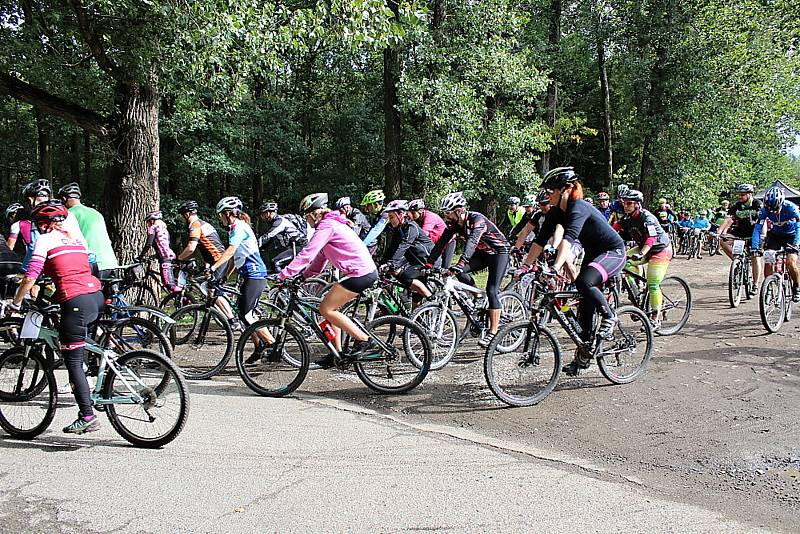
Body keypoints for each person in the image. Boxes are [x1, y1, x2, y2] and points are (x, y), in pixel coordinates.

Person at [7, 202, 104, 434]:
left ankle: (87, 415)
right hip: (95, 295)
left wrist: (16, 302)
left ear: (43, 224)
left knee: (72, 359)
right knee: (81, 343)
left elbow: (31, 276)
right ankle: (101, 374)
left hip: (76, 300)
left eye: (38, 224)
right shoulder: (74, 239)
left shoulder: (44, 240)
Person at [518, 167, 626, 375]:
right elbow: (539, 242)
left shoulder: (579, 207)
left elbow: (568, 240)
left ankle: (610, 317)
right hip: (593, 254)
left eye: (551, 190)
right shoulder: (556, 212)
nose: (547, 194)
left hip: (613, 251)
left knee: (584, 282)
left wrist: (556, 268)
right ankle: (584, 355)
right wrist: (524, 266)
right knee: (583, 308)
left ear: (566, 190)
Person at [278, 193, 379, 368]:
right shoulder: (331, 225)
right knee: (329, 311)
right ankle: (337, 354)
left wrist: (284, 274)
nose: (306, 220)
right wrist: (301, 277)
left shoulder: (327, 226)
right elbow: (318, 262)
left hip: (360, 273)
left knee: (325, 308)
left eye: (306, 216)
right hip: (360, 272)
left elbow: (307, 253)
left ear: (315, 214)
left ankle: (364, 340)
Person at [426, 192, 510, 347]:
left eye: (448, 213)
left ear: (458, 211)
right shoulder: (454, 225)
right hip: (483, 253)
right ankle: (477, 296)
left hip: (499, 252)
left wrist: (461, 262)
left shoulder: (477, 219)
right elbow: (441, 244)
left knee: (492, 290)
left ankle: (493, 332)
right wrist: (429, 264)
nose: (446, 217)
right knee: (461, 272)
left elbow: (472, 242)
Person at [210, 197, 275, 355]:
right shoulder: (235, 228)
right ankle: (258, 347)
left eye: (221, 214)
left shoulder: (239, 227)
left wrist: (213, 267)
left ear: (228, 213)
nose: (220, 218)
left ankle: (272, 344)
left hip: (255, 274)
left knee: (247, 314)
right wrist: (224, 275)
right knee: (241, 315)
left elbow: (231, 251)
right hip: (248, 275)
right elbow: (234, 257)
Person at [176, 200, 239, 330]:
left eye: (182, 216)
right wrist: (206, 265)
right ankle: (225, 317)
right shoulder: (203, 223)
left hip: (219, 261)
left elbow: (191, 248)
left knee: (213, 291)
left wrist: (178, 258)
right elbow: (207, 246)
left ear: (187, 214)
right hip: (217, 260)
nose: (182, 219)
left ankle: (233, 321)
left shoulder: (195, 225)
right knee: (210, 291)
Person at [614, 190, 673, 327]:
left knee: (653, 284)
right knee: (623, 263)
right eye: (624, 203)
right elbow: (611, 229)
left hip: (660, 250)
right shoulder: (626, 219)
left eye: (629, 203)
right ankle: (638, 292)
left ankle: (655, 317)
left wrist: (642, 253)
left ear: (637, 204)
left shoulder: (647, 217)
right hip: (643, 248)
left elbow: (652, 237)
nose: (625, 206)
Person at [58, 182, 119, 277]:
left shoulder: (68, 214)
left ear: (64, 199)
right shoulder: (96, 213)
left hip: (92, 265)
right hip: (111, 263)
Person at [752, 186, 800, 302]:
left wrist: (796, 244)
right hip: (775, 235)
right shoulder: (764, 210)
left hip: (792, 235)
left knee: (790, 262)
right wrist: (755, 247)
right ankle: (768, 288)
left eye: (776, 208)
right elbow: (757, 228)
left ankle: (796, 286)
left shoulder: (792, 208)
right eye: (771, 209)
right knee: (768, 259)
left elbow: (799, 227)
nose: (773, 211)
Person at [380, 200, 433, 299]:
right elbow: (392, 248)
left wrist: (392, 263)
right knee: (415, 300)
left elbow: (404, 245)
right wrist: (381, 262)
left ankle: (432, 298)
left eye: (392, 217)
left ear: (401, 214)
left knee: (406, 276)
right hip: (415, 262)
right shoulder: (399, 229)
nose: (390, 220)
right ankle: (414, 313)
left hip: (426, 261)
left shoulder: (411, 227)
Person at [717, 184, 763, 292]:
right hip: (740, 232)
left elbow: (763, 220)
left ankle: (755, 285)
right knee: (724, 241)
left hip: (754, 233)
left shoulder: (757, 204)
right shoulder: (737, 205)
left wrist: (762, 234)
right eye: (739, 195)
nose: (740, 197)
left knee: (755, 257)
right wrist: (719, 232)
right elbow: (728, 219)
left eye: (742, 195)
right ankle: (737, 260)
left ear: (749, 194)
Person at [257, 201, 308, 272]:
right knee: (277, 265)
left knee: (276, 262)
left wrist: (254, 245)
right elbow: (269, 240)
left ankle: (281, 281)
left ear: (269, 213)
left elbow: (268, 236)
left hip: (300, 247)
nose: (263, 217)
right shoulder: (275, 222)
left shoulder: (280, 221)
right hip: (294, 247)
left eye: (264, 214)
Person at [137, 210, 180, 292]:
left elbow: (148, 244)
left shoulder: (153, 228)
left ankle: (188, 301)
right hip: (170, 256)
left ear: (152, 220)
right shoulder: (164, 229)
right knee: (171, 282)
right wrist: (154, 256)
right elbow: (164, 245)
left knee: (169, 285)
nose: (148, 224)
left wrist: (140, 257)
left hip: (165, 259)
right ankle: (183, 299)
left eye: (148, 222)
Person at [408, 198, 454, 268]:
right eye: (410, 213)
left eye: (413, 213)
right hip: (437, 244)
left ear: (420, 211)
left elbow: (423, 235)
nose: (411, 215)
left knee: (445, 267)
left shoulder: (429, 217)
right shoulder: (418, 219)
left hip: (448, 242)